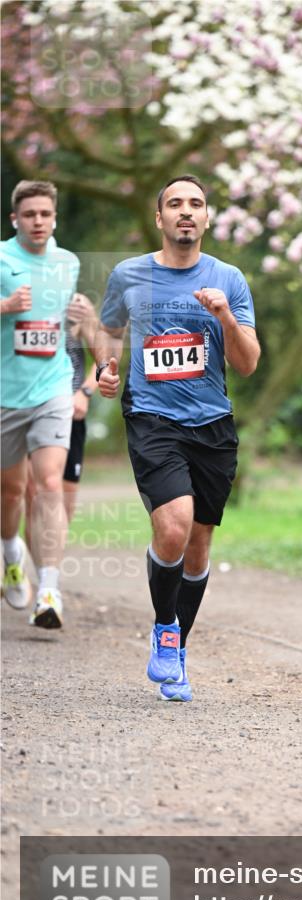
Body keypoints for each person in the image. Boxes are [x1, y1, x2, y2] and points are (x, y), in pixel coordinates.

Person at [96, 175, 260, 702]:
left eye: (196, 204)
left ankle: (176, 649)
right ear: (160, 218)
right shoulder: (128, 275)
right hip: (152, 417)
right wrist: (105, 366)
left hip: (212, 424)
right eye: (175, 204)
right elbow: (109, 330)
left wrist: (224, 317)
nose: (185, 212)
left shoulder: (229, 279)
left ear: (207, 218)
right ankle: (165, 628)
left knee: (198, 543)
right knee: (173, 525)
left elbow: (248, 363)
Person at [1, 180, 80, 628]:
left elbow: (62, 324)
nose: (38, 222)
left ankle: (49, 590)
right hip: (4, 393)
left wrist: (82, 321)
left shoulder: (67, 263)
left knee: (49, 483)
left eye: (45, 215)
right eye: (29, 215)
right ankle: (11, 551)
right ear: (16, 218)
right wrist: (6, 305)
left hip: (51, 387)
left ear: (54, 218)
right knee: (11, 492)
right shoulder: (1, 257)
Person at [26, 292, 98, 535]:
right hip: (28, 410)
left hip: (69, 413)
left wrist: (85, 393)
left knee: (64, 501)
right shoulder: (17, 299)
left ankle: (49, 564)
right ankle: (30, 565)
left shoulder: (76, 303)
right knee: (33, 492)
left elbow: (104, 357)